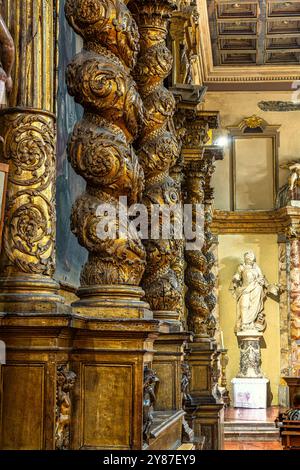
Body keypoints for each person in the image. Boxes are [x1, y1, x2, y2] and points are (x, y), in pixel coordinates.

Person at [230, 251, 269, 332]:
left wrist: (264, 283)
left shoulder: (257, 268)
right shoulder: (242, 267)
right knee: (244, 305)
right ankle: (244, 324)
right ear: (245, 259)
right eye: (248, 258)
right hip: (245, 289)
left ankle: (250, 323)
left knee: (254, 306)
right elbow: (237, 275)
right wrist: (236, 277)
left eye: (251, 258)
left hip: (256, 289)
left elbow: (262, 278)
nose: (250, 259)